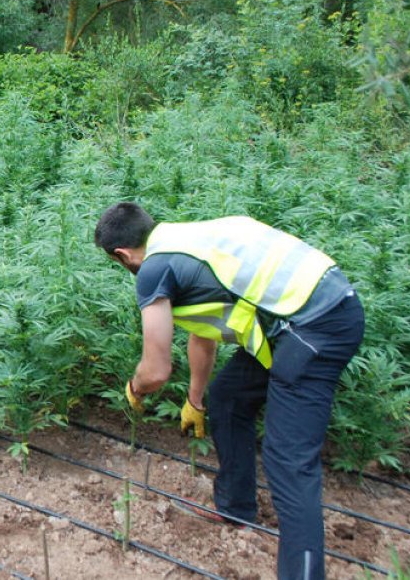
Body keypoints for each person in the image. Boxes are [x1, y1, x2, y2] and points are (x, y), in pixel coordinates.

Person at [94, 202, 363, 580]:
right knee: (229, 398)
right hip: (310, 313)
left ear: (121, 254)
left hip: (315, 327)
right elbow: (203, 335)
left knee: (289, 463)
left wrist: (135, 390)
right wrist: (195, 399)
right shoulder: (185, 239)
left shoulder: (153, 269)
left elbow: (155, 370)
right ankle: (236, 508)